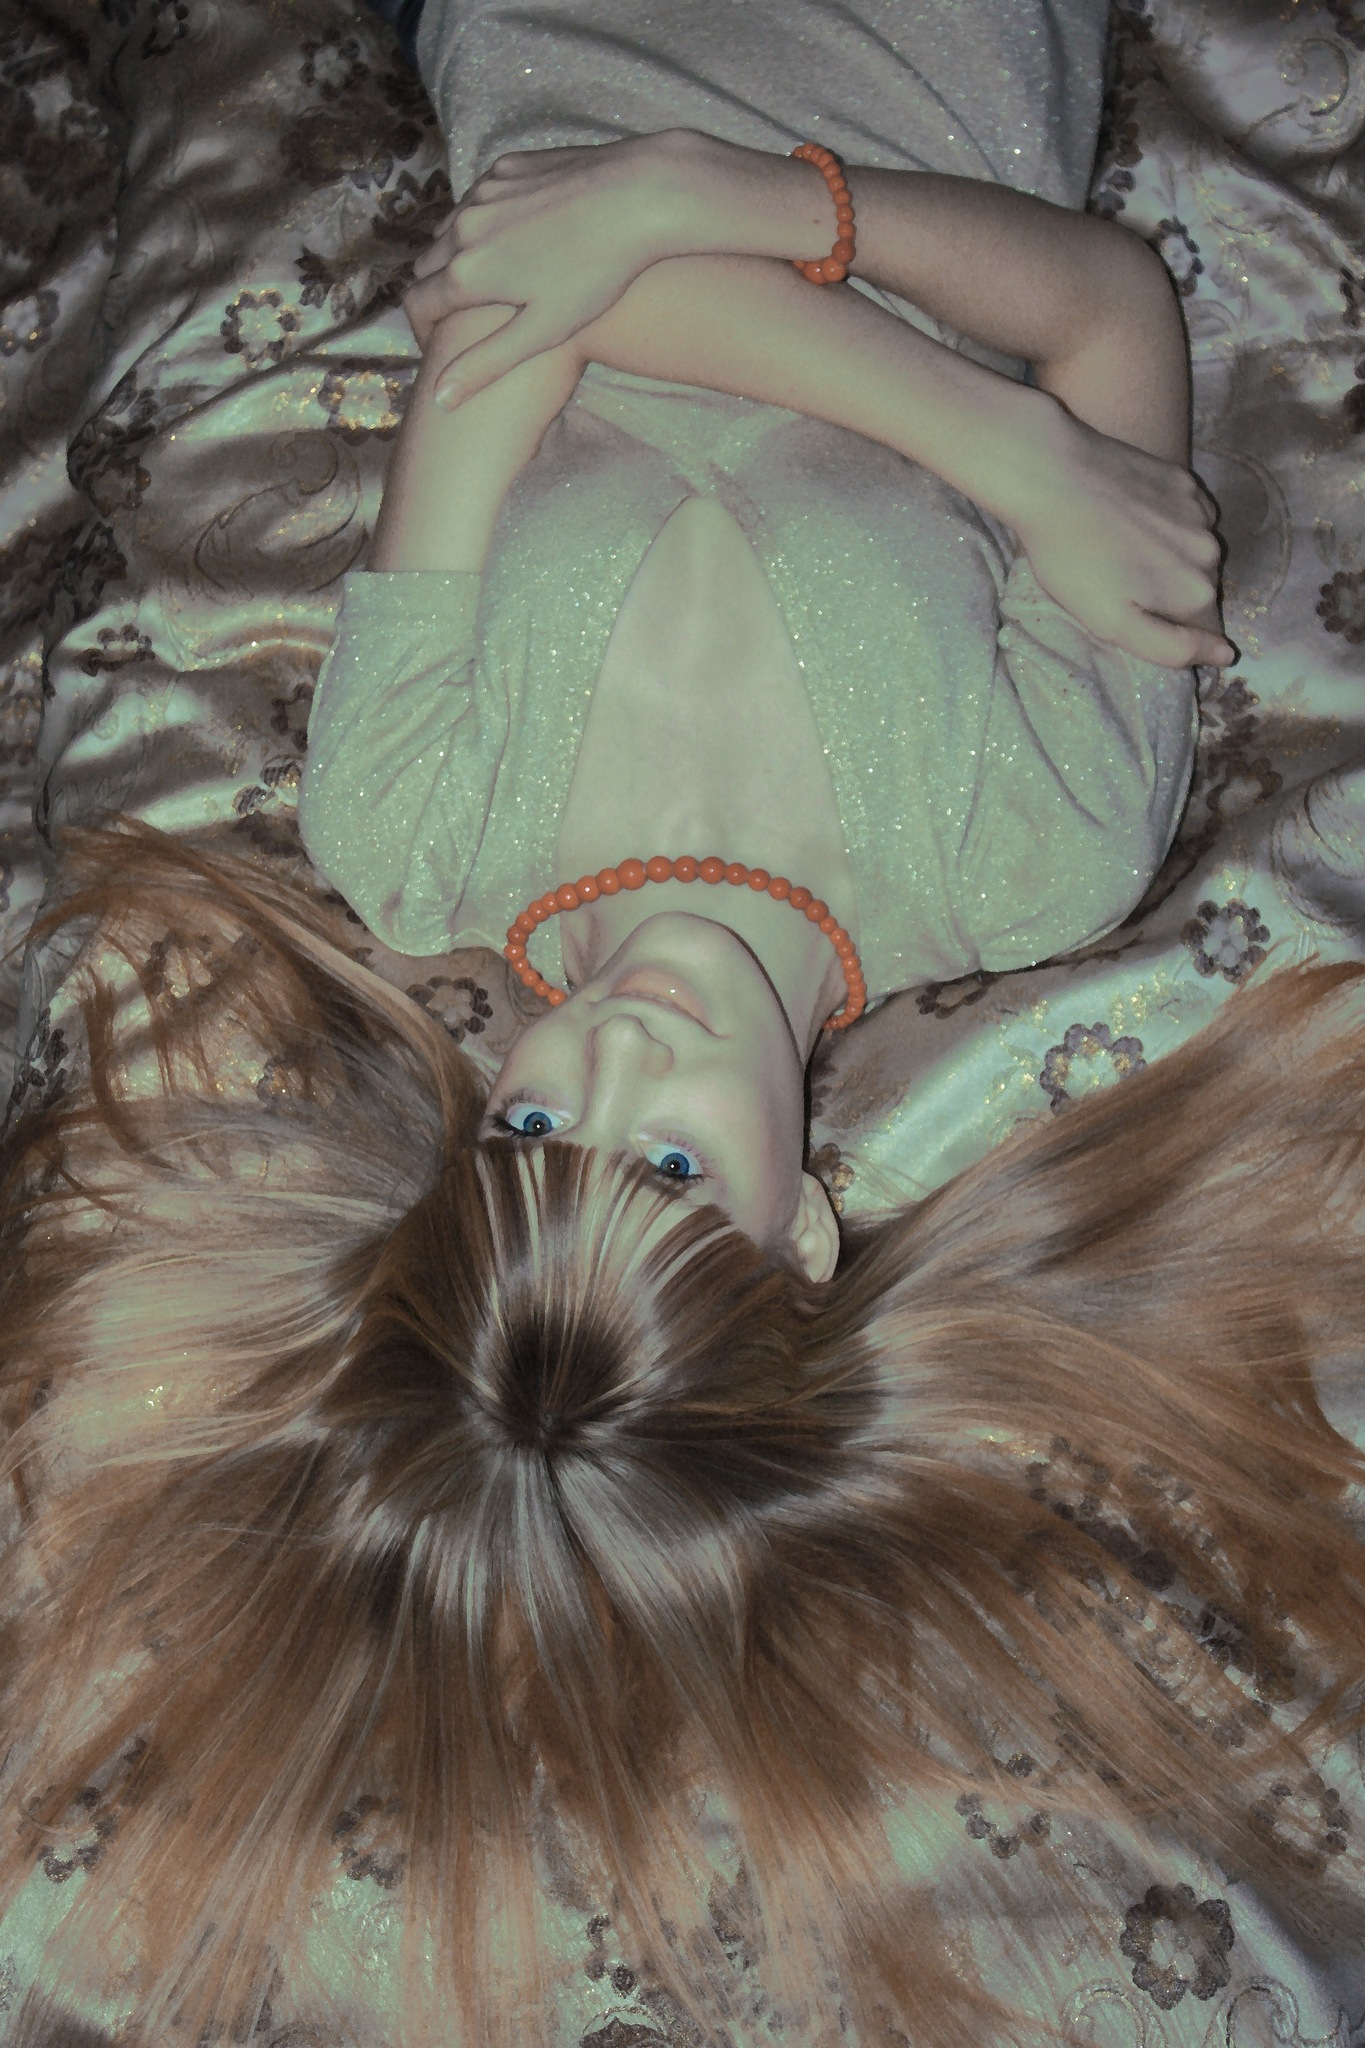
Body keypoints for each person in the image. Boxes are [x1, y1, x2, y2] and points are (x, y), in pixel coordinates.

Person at [0, 1, 1362, 2043]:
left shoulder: (413, 829)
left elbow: (501, 305)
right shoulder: (1031, 854)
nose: (615, 1061)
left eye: (531, 1135)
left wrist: (706, 240)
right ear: (800, 1233)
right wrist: (723, 226)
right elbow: (1095, 305)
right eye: (661, 1167)